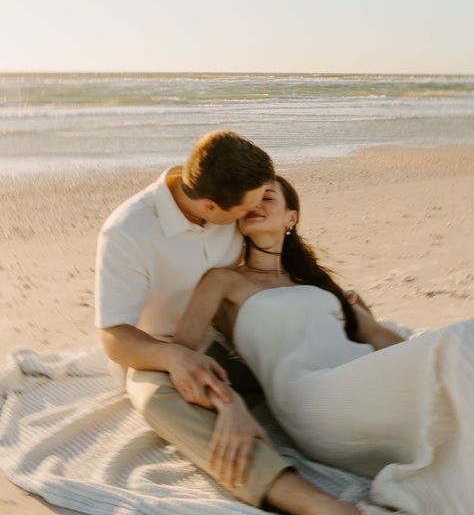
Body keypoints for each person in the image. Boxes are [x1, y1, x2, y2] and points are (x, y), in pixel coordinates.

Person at [173, 174, 474, 514]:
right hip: (312, 398)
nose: (256, 204)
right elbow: (182, 354)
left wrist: (380, 330)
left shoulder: (317, 285)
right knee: (461, 339)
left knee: (459, 349)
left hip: (360, 379)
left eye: (268, 197)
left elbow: (380, 341)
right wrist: (228, 405)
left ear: (291, 217)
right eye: (250, 198)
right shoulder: (224, 281)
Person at [96, 131, 359, 515]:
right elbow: (114, 336)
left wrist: (337, 301)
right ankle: (299, 495)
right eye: (246, 209)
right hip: (160, 350)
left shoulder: (229, 191)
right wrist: (174, 359)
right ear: (212, 208)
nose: (253, 213)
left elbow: (273, 250)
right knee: (156, 399)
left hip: (236, 336)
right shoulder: (127, 232)